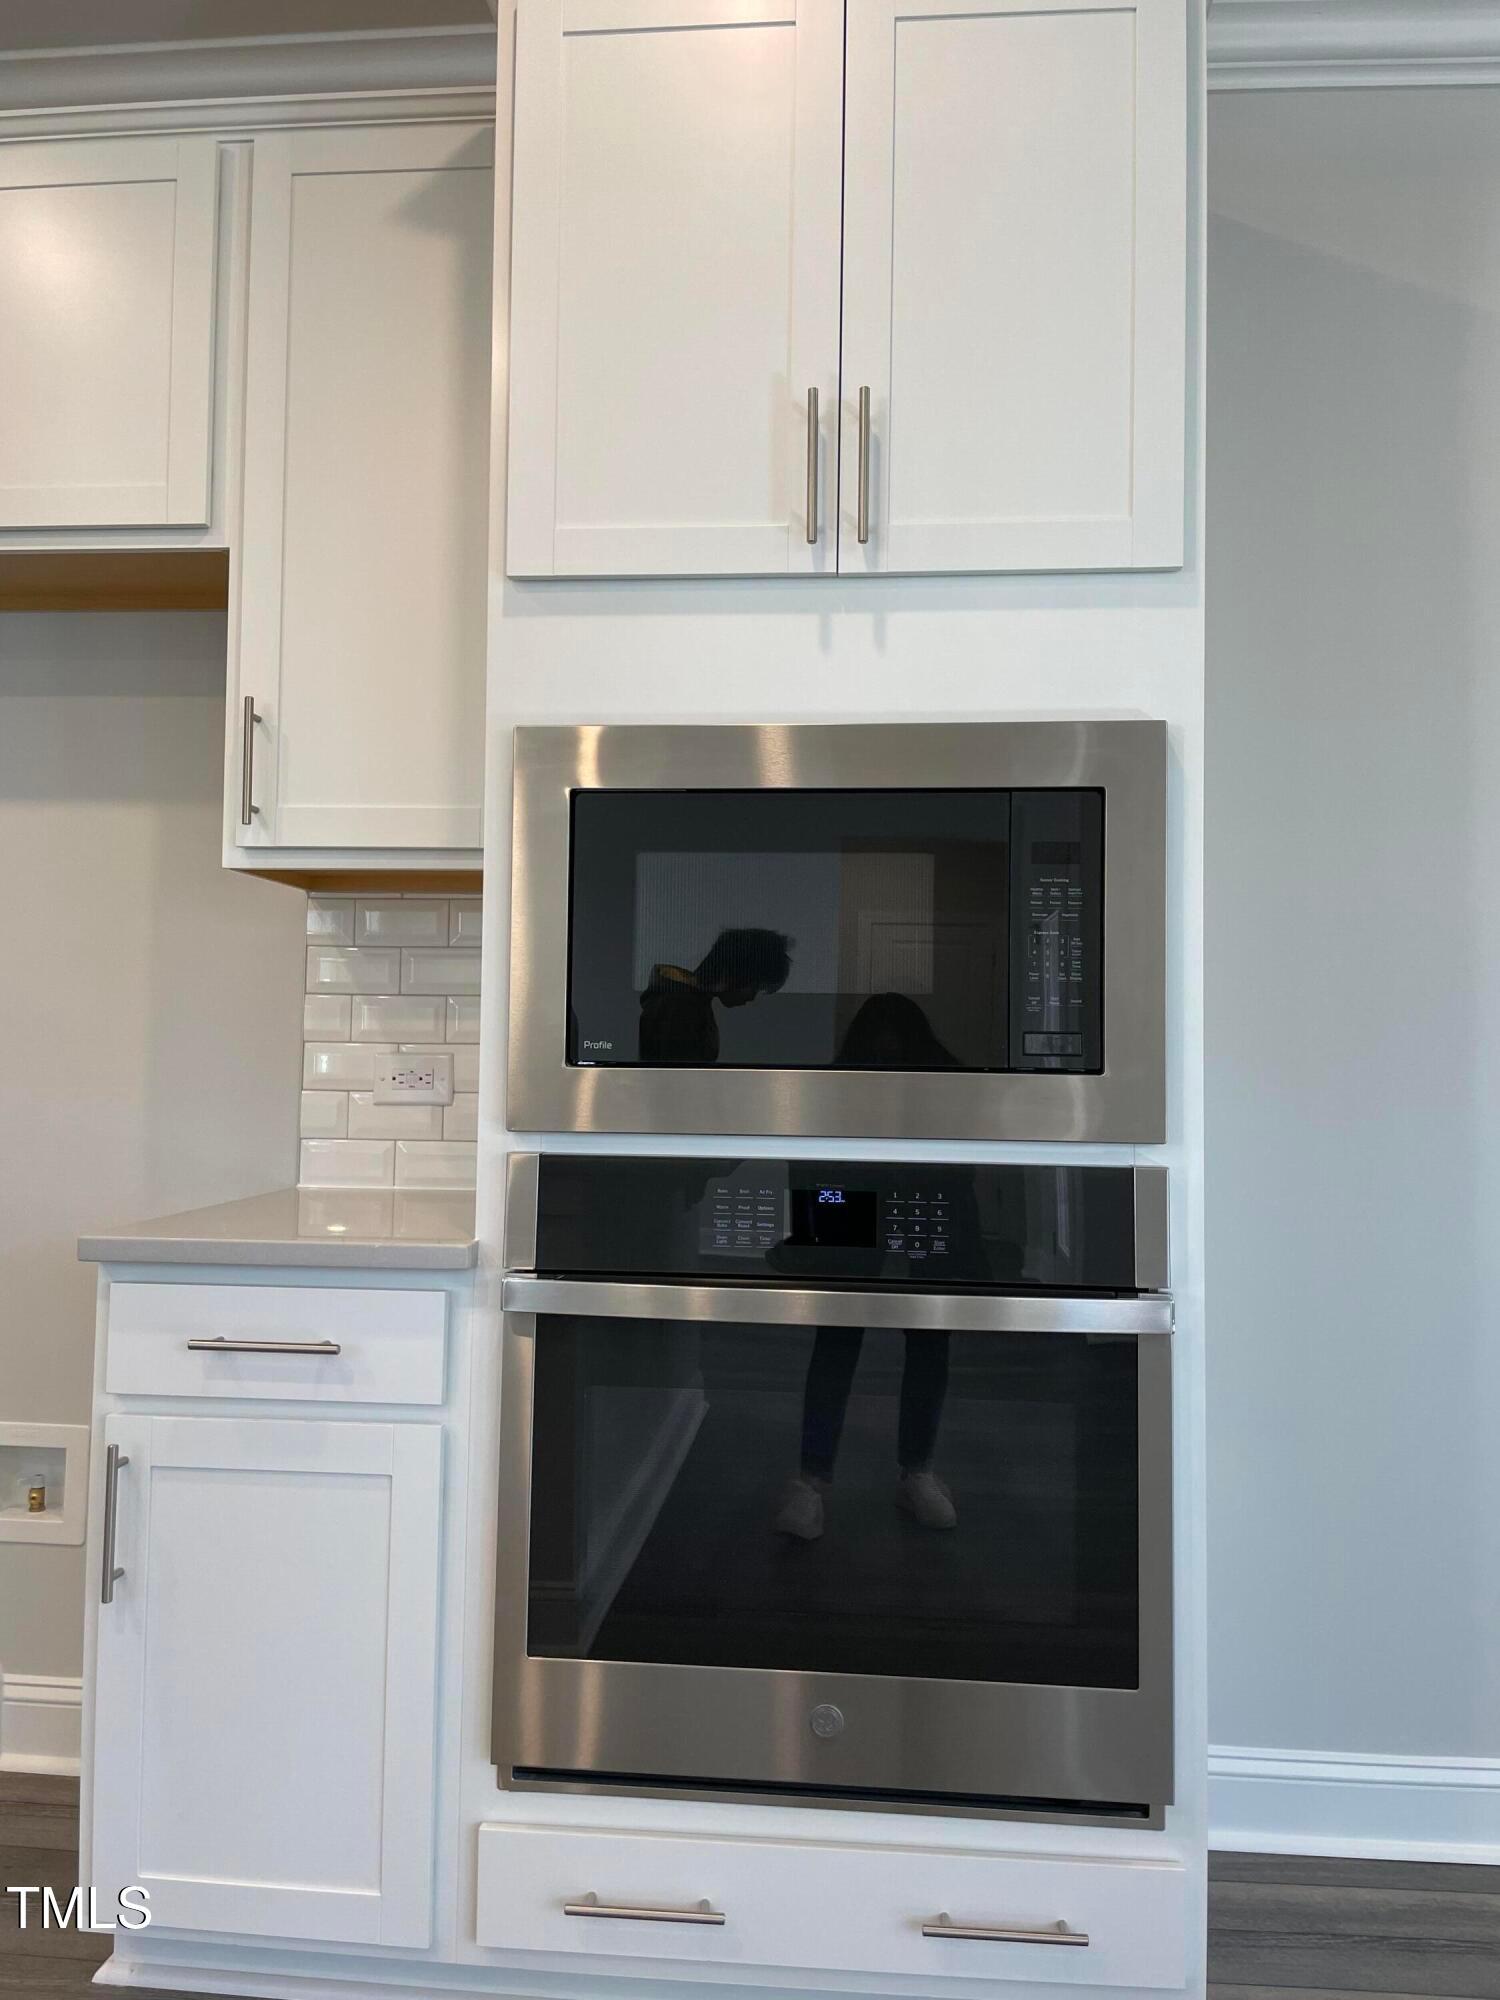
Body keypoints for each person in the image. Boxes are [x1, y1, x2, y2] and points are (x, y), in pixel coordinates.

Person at [776, 990, 960, 1541]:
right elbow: (813, 1163)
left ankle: (826, 1482)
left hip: (914, 1212)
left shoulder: (926, 1085)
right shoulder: (942, 1081)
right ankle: (890, 1476)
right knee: (857, 1341)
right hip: (867, 1213)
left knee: (904, 1342)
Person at [638, 927, 793, 1064]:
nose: (752, 997)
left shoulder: (687, 1000)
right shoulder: (681, 1008)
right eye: (755, 987)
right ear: (735, 974)